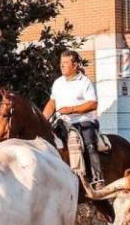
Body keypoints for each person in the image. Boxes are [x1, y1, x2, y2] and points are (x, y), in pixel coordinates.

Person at [43, 50, 102, 187]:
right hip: (62, 122)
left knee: (90, 144)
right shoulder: (58, 83)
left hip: (83, 121)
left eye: (65, 63)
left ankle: (97, 179)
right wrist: (43, 119)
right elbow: (52, 103)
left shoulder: (85, 82)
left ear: (75, 65)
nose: (61, 66)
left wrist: (71, 109)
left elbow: (93, 104)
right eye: (61, 63)